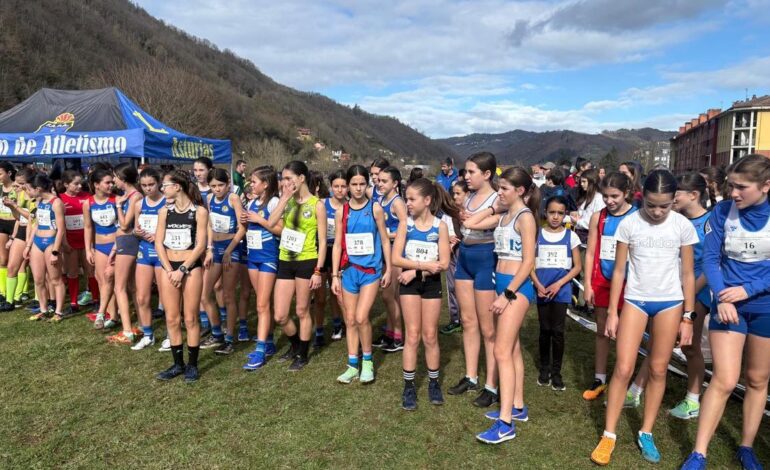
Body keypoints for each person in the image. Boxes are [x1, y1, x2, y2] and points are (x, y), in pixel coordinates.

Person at [590, 170, 697, 466]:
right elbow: (620, 271)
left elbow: (687, 273)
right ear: (642, 197)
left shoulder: (683, 226)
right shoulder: (629, 223)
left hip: (670, 303)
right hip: (635, 300)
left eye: (665, 205)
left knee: (659, 369)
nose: (658, 211)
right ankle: (609, 433)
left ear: (674, 200)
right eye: (652, 204)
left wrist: (688, 316)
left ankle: (646, 431)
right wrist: (612, 312)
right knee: (623, 368)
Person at [681, 155, 770, 470]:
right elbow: (711, 260)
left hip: (764, 306)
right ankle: (699, 452)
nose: (733, 192)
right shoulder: (722, 212)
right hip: (727, 306)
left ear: (766, 186)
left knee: (758, 379)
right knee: (725, 379)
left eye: (742, 187)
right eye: (731, 185)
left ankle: (746, 447)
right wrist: (722, 296)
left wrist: (748, 290)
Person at [463, 167, 539, 444]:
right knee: (513, 348)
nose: (500, 192)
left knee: (502, 351)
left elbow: (528, 261)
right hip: (503, 284)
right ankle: (517, 406)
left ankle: (505, 423)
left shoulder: (525, 218)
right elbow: (470, 221)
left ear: (520, 191)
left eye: (505, 188)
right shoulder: (506, 214)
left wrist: (506, 294)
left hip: (515, 289)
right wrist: (495, 206)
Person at [392, 178, 454, 409]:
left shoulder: (440, 226)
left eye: (411, 199)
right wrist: (422, 267)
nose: (407, 203)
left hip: (430, 285)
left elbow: (445, 263)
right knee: (413, 335)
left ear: (427, 200)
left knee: (430, 335)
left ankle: (434, 383)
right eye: (406, 198)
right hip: (409, 284)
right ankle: (408, 388)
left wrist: (416, 270)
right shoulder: (405, 225)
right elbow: (396, 258)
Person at [447, 152, 500, 408]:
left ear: (487, 174)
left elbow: (495, 220)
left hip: (485, 259)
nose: (466, 177)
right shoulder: (468, 197)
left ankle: (492, 385)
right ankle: (471, 376)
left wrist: (476, 222)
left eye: (471, 172)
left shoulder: (497, 198)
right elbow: (464, 225)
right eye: (465, 172)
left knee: (488, 328)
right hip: (465, 258)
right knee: (468, 321)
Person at [331, 165, 392, 384]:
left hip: (371, 271)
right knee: (349, 319)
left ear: (368, 184)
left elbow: (385, 240)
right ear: (347, 185)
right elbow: (337, 244)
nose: (357, 189)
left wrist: (389, 268)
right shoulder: (342, 211)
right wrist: (335, 276)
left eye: (362, 184)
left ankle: (367, 362)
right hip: (349, 271)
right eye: (354, 184)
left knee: (361, 317)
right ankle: (352, 364)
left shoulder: (375, 209)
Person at [267, 161, 327, 371]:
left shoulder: (317, 205)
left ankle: (302, 353)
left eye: (288, 178)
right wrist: (283, 199)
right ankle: (294, 345)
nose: (284, 182)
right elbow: (271, 222)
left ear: (301, 178)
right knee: (280, 315)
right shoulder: (288, 201)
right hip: (285, 260)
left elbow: (322, 242)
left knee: (302, 310)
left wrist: (318, 270)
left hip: (306, 261)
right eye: (282, 178)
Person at [582, 172, 636, 401]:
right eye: (605, 196)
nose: (609, 201)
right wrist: (587, 283)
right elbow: (591, 251)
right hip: (602, 280)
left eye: (615, 196)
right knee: (603, 330)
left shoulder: (637, 216)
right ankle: (600, 377)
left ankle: (623, 377)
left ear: (627, 193)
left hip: (630, 282)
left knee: (626, 334)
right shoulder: (598, 217)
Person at [154, 170, 208, 382]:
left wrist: (183, 269)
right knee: (172, 317)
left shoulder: (199, 212)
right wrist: (169, 270)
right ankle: (178, 364)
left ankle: (192, 365)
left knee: (191, 317)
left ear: (177, 186)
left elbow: (201, 244)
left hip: (190, 267)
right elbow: (159, 242)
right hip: (169, 268)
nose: (162, 189)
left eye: (164, 185)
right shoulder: (164, 212)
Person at [532, 196, 582, 390]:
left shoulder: (572, 236)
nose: (555, 217)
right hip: (542, 291)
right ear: (546, 212)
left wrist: (559, 283)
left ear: (565, 215)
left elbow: (577, 267)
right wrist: (538, 284)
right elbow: (530, 263)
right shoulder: (537, 234)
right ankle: (544, 369)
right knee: (545, 330)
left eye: (560, 213)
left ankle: (556, 372)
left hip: (561, 291)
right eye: (552, 212)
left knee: (558, 331)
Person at [199, 169, 246, 355]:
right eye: (213, 186)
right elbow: (210, 225)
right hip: (216, 250)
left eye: (220, 185)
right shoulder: (209, 199)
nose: (217, 189)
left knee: (227, 296)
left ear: (227, 184)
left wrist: (228, 250)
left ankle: (229, 338)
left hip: (231, 249)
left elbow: (243, 228)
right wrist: (210, 248)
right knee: (204, 295)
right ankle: (217, 333)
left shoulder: (233, 199)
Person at [242, 166, 282, 370]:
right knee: (262, 303)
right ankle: (269, 341)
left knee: (262, 305)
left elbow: (281, 229)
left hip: (268, 257)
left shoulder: (274, 202)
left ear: (265, 184)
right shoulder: (251, 202)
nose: (251, 184)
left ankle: (259, 351)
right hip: (253, 257)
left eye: (254, 181)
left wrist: (260, 220)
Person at [130, 167, 165, 350]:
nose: (148, 188)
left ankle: (170, 335)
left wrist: (159, 236)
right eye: (144, 185)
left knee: (167, 298)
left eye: (151, 184)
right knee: (142, 297)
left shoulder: (168, 202)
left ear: (159, 183)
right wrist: (137, 232)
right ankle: (148, 334)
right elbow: (136, 228)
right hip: (144, 252)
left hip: (162, 254)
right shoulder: (139, 204)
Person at [108, 163, 143, 345]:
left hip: (128, 242)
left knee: (119, 287)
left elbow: (124, 224)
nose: (113, 180)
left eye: (115, 176)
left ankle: (127, 331)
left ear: (122, 178)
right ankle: (143, 325)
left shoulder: (134, 196)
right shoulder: (128, 195)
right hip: (124, 242)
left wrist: (119, 206)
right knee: (131, 286)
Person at [24, 174, 67, 321]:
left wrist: (55, 251)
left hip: (51, 241)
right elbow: (37, 224)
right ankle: (43, 309)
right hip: (37, 241)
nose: (28, 192)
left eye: (30, 189)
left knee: (55, 279)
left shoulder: (56, 203)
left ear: (38, 188)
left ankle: (59, 312)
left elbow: (61, 229)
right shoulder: (39, 201)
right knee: (38, 279)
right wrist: (28, 245)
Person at [375, 166, 406, 353]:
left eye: (384, 181)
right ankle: (389, 333)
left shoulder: (397, 202)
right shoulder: (380, 199)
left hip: (395, 251)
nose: (380, 184)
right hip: (384, 250)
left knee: (388, 295)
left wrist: (388, 235)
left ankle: (398, 336)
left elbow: (405, 228)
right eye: (379, 180)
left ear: (395, 183)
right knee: (390, 296)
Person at [83, 169, 118, 330]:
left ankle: (109, 314)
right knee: (103, 281)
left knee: (113, 280)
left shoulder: (116, 200)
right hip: (99, 246)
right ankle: (112, 315)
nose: (111, 185)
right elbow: (88, 227)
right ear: (96, 185)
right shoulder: (88, 203)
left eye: (112, 182)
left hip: (116, 245)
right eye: (107, 182)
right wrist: (89, 249)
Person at [59, 170, 97, 313]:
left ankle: (96, 299)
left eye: (81, 183)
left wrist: (92, 243)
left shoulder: (87, 197)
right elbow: (59, 225)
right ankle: (74, 303)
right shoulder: (60, 199)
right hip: (70, 242)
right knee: (72, 272)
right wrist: (64, 243)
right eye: (75, 184)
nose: (79, 186)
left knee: (91, 271)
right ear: (66, 184)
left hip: (87, 241)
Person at [319, 170, 347, 343]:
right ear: (331, 187)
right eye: (336, 186)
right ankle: (335, 323)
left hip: (341, 252)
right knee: (324, 293)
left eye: (343, 186)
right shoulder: (322, 204)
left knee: (339, 292)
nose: (340, 190)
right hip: (323, 250)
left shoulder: (351, 205)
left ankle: (346, 323)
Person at [4, 168, 35, 311]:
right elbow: (18, 218)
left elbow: (32, 217)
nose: (17, 187)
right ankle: (9, 301)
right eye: (16, 184)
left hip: (35, 232)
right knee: (12, 266)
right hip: (22, 231)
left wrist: (15, 206)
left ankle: (39, 299)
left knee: (37, 270)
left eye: (20, 184)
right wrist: (11, 207)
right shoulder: (19, 195)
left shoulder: (35, 196)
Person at [440, 180, 468, 335]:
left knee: (467, 288)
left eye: (458, 193)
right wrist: (447, 241)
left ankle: (468, 318)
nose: (455, 197)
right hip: (452, 255)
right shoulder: (448, 214)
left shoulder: (474, 213)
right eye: (454, 193)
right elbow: (444, 233)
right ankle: (455, 319)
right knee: (452, 287)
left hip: (467, 253)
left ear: (467, 194)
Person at [0, 162, 17, 310]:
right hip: (2, 223)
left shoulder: (17, 187)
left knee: (19, 260)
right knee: (3, 259)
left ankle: (19, 293)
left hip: (16, 224)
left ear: (9, 173)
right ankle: (2, 291)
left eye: (0, 173)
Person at [571, 168, 604, 243]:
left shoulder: (599, 198)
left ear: (592, 181)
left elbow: (596, 222)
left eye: (584, 181)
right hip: (579, 235)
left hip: (589, 237)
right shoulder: (585, 197)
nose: (581, 184)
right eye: (581, 181)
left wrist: (578, 221)